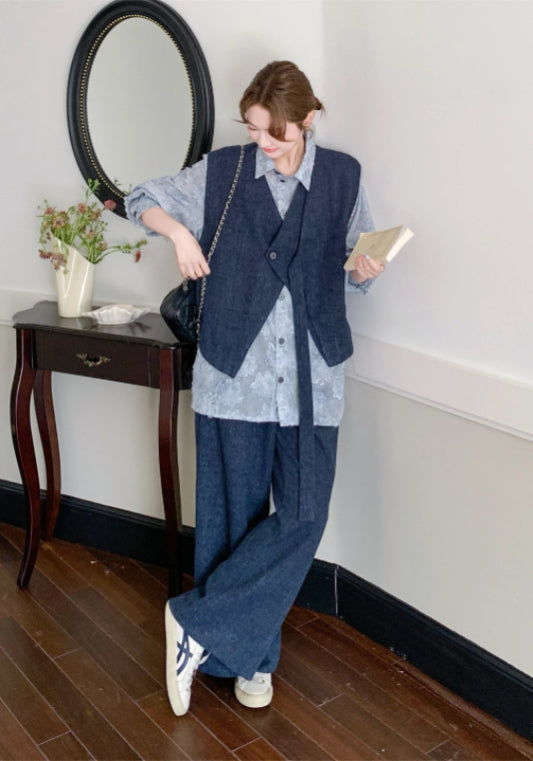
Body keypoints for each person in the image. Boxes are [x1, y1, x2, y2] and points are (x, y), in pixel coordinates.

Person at [125, 60, 384, 717]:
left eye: (275, 132)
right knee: (232, 520)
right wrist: (178, 233)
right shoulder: (223, 171)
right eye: (252, 128)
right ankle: (251, 660)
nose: (262, 142)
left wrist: (364, 269)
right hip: (232, 373)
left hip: (313, 374)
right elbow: (141, 198)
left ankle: (193, 622)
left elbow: (353, 263)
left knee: (303, 512)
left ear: (308, 119)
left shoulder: (343, 176)